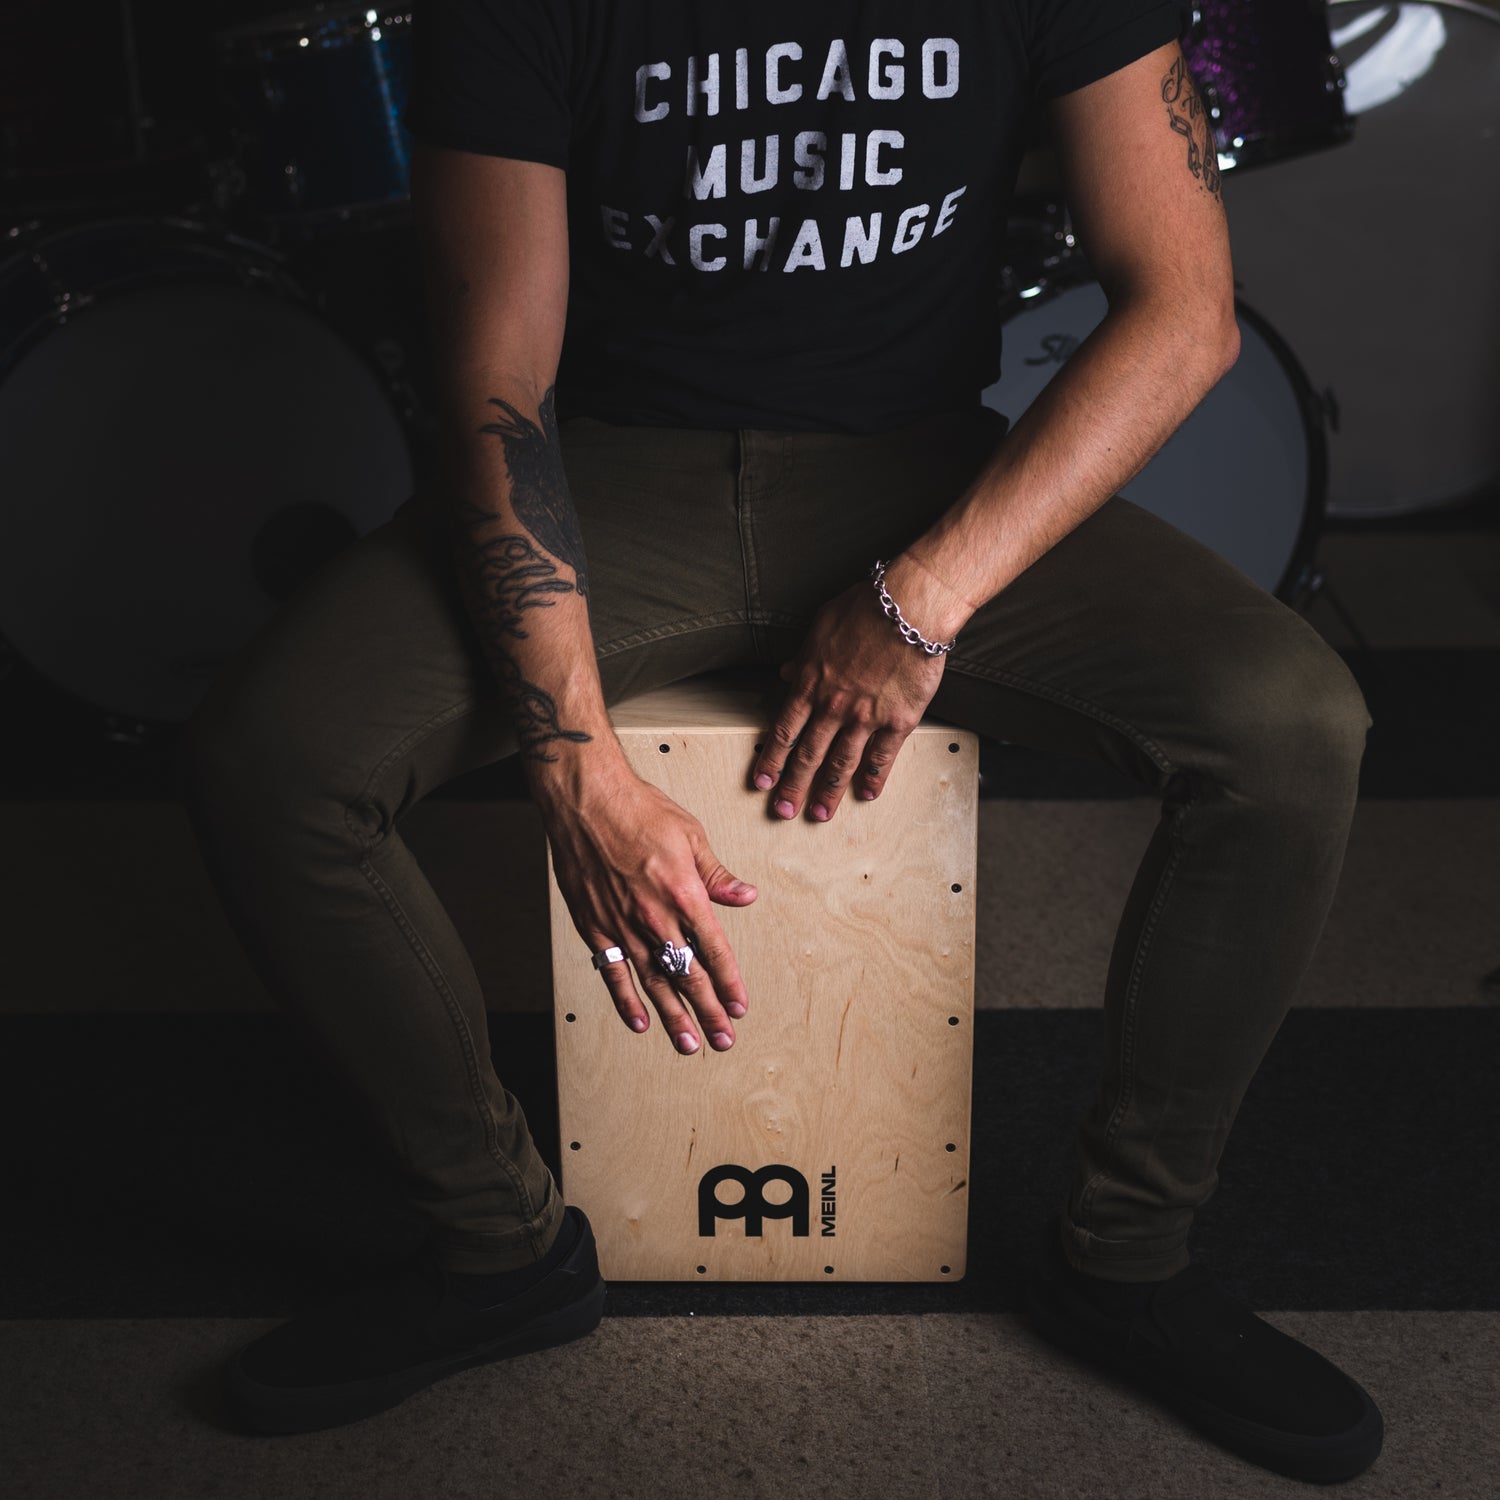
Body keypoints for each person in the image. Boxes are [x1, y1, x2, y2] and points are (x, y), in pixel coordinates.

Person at [179, 0, 1383, 1480]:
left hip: (920, 473)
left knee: (1292, 727)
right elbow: (498, 386)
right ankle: (497, 1246)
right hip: (620, 477)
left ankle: (1125, 1257)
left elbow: (1184, 314)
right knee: (271, 756)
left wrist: (920, 599)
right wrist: (575, 766)